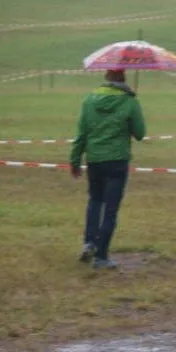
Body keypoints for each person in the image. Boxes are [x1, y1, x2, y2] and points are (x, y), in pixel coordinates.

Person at [70, 69, 146, 269]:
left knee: (95, 201)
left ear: (106, 77)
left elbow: (81, 134)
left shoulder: (89, 100)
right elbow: (140, 133)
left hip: (94, 160)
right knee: (111, 210)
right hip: (117, 160)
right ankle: (101, 256)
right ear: (124, 78)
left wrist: (75, 160)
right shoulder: (130, 102)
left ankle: (89, 242)